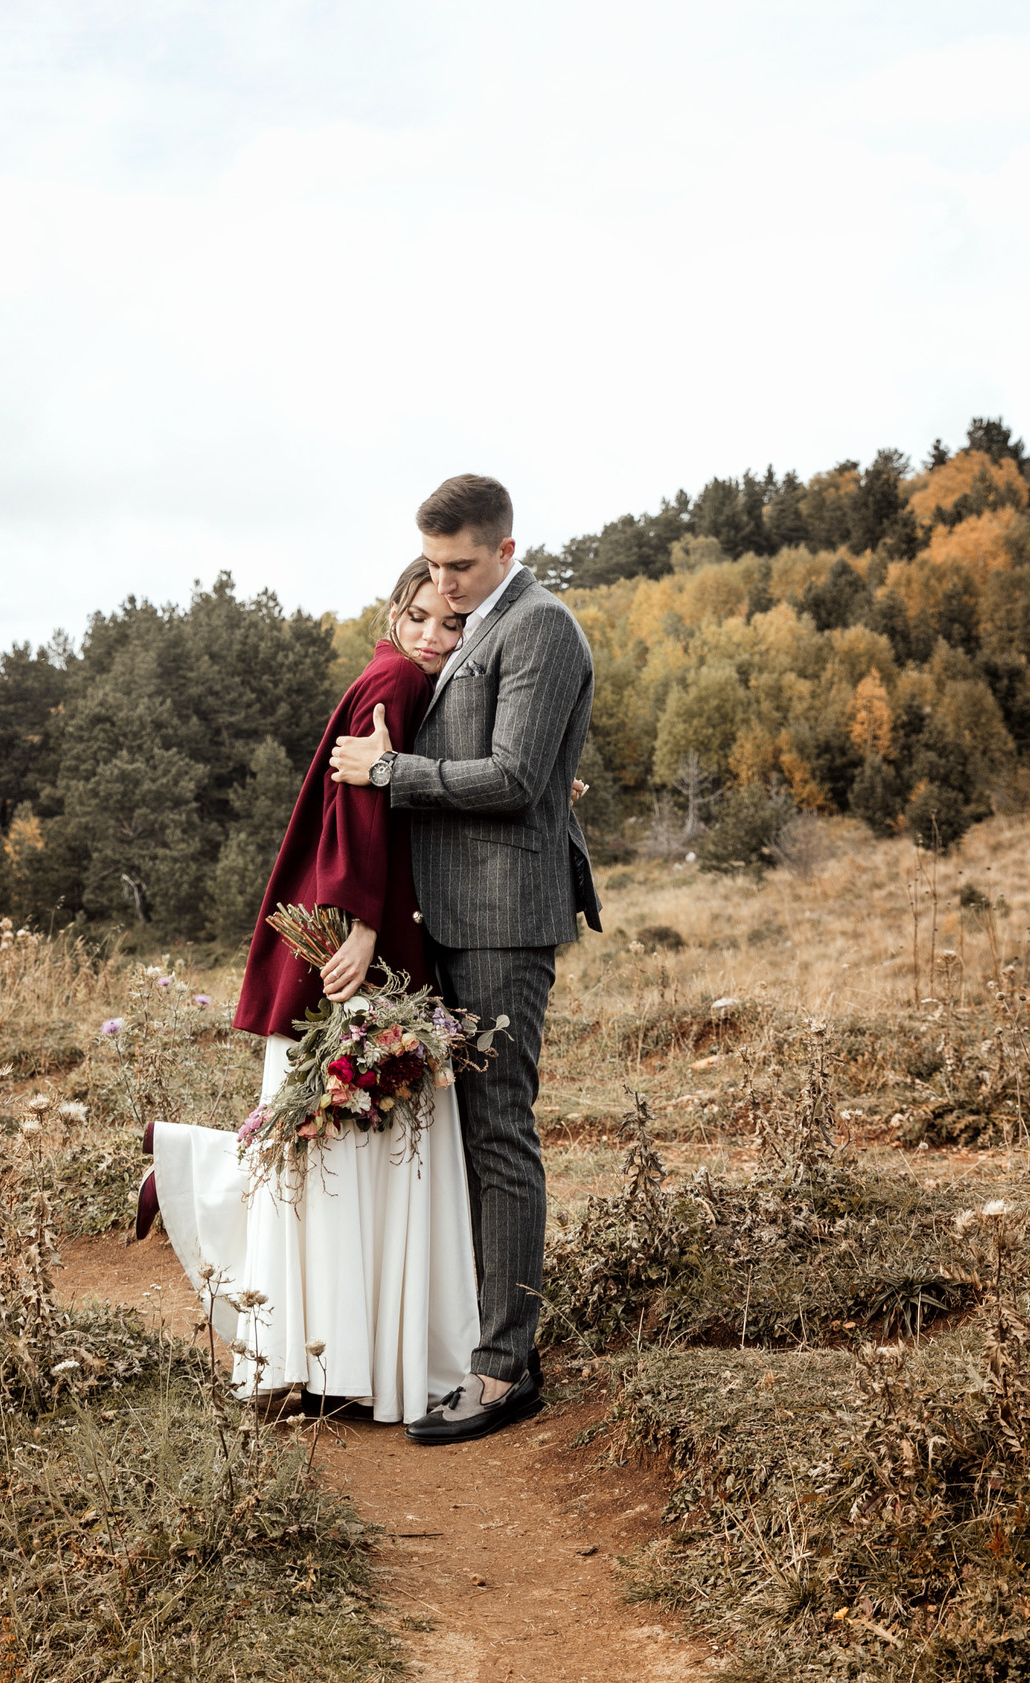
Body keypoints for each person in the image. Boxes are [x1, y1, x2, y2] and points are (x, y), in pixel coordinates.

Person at [137, 561, 483, 1424]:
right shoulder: (396, 679)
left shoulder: (401, 675)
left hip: (357, 929)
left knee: (326, 1138)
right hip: (353, 943)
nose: (433, 639)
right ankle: (332, 1348)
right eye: (420, 618)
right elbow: (357, 801)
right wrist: (363, 923)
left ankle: (306, 1336)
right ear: (394, 613)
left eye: (450, 626)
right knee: (337, 1139)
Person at [330, 472, 599, 1446]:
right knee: (466, 1134)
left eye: (460, 566)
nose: (442, 586)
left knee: (498, 1133)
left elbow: (519, 778)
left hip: (501, 922)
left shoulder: (539, 627)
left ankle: (503, 1372)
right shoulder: (472, 623)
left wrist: (389, 772)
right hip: (446, 916)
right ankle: (462, 1332)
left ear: (506, 552)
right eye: (433, 566)